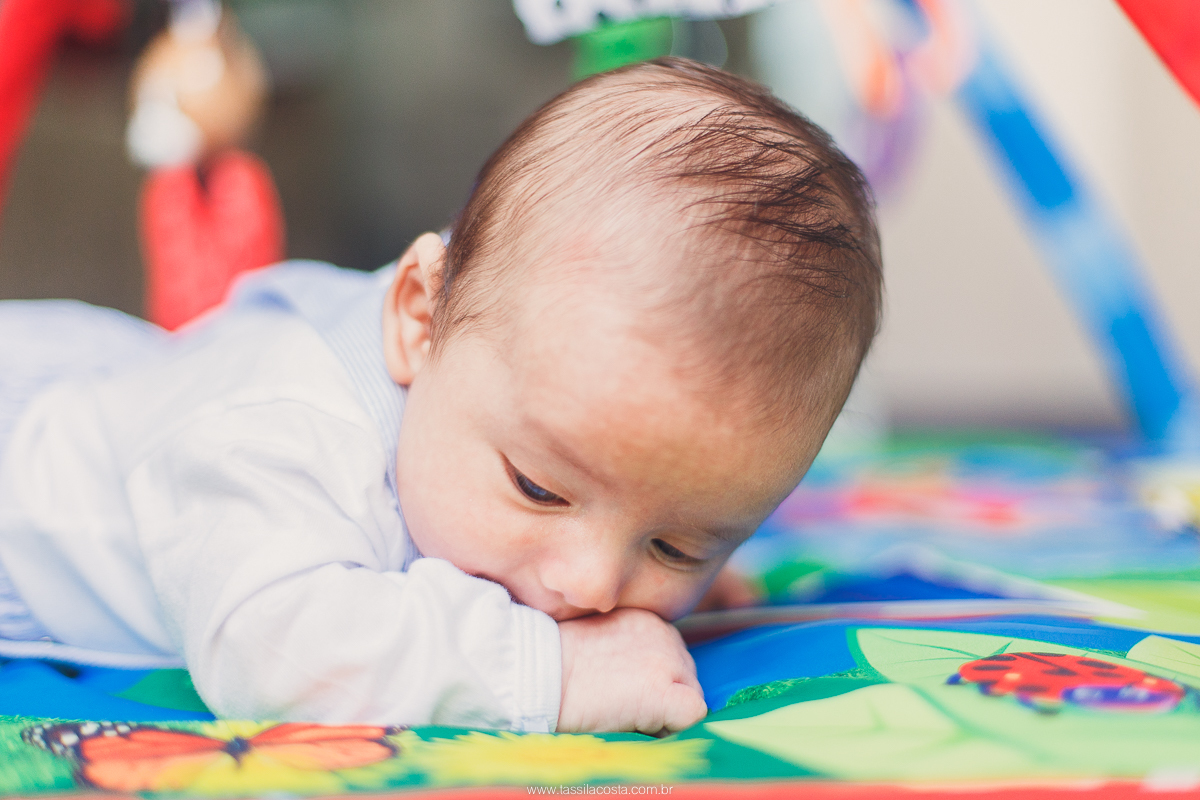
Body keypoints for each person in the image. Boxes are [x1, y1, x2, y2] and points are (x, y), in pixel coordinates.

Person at [0, 58, 881, 736]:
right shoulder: (280, 439)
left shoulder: (500, 358)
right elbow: (270, 648)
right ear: (418, 318)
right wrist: (549, 671)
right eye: (540, 487)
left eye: (676, 543)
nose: (591, 585)